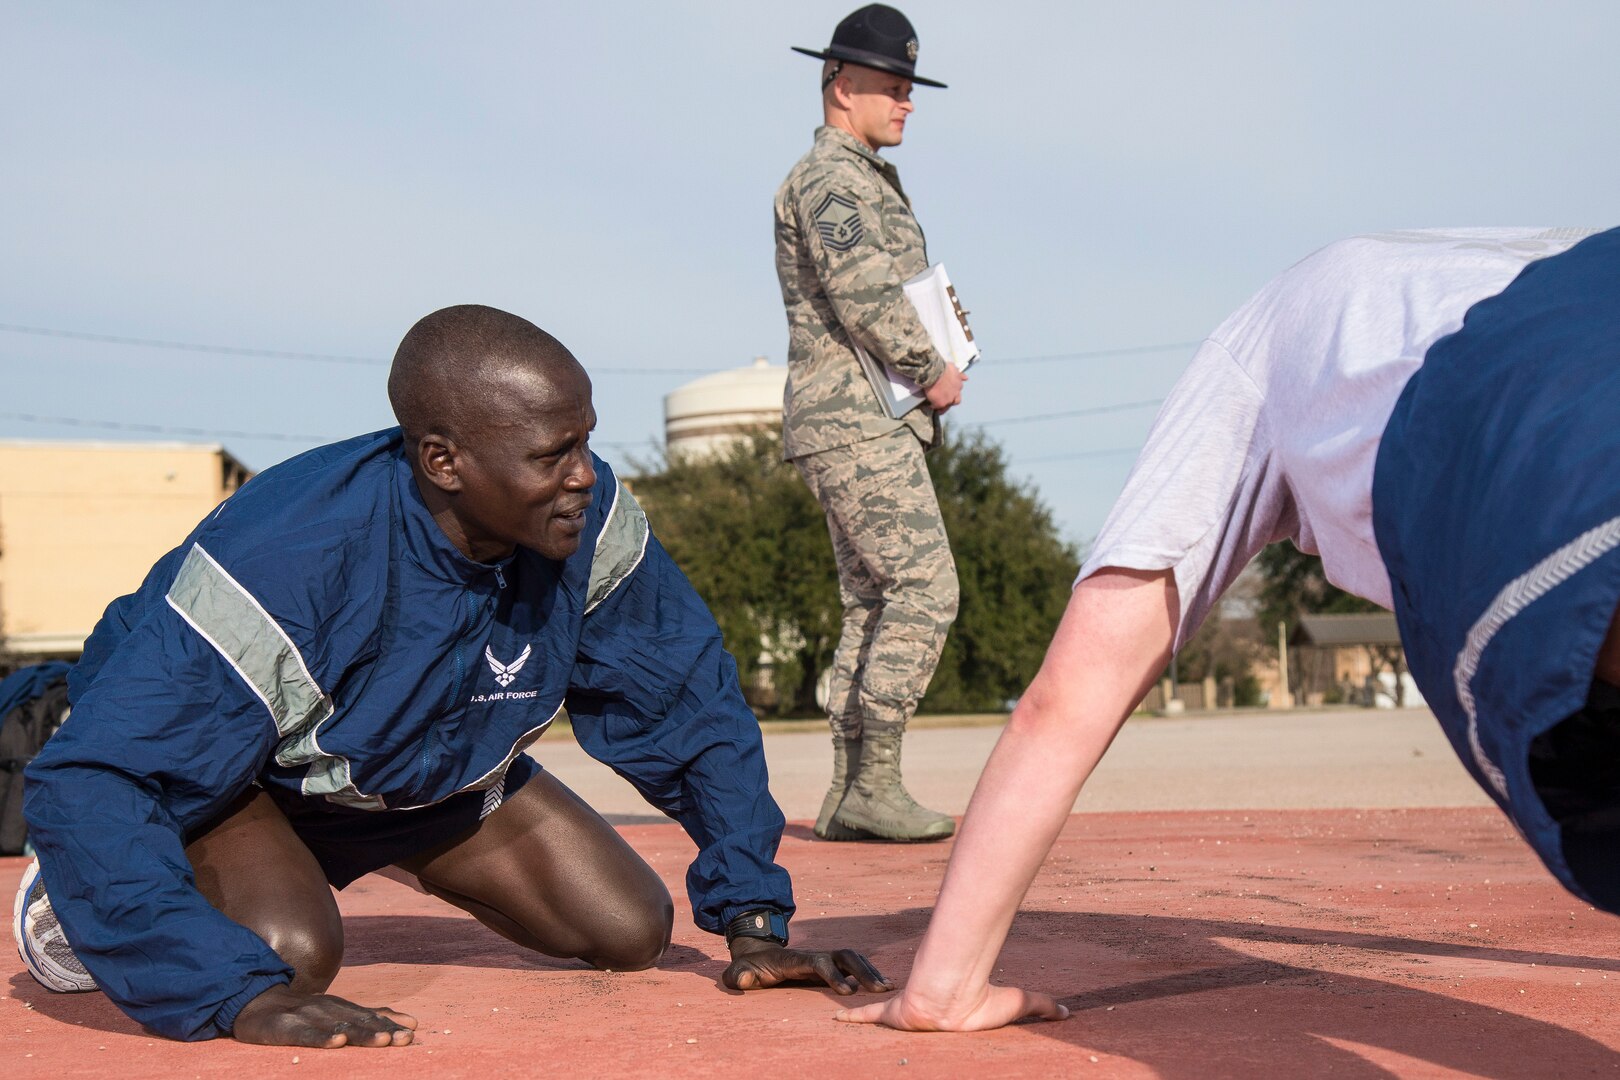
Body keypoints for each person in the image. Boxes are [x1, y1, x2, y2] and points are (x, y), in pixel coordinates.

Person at [14, 304, 889, 1047]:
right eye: (554, 454)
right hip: (244, 770)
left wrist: (752, 922)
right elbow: (92, 778)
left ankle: (359, 842)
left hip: (414, 765)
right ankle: (82, 887)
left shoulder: (590, 521)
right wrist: (229, 996)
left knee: (629, 929)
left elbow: (687, 703)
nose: (584, 475)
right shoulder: (288, 560)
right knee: (285, 957)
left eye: (586, 440)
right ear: (444, 462)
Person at [835, 225, 1620, 1030]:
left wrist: (942, 986)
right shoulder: (1475, 262)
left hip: (1511, 413)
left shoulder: (1266, 345)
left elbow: (1068, 698)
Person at [776, 4, 966, 843]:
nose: (907, 103)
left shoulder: (858, 176)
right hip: (857, 419)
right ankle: (874, 785)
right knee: (926, 589)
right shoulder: (833, 180)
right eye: (893, 87)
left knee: (871, 601)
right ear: (841, 85)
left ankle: (852, 792)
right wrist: (933, 371)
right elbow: (864, 297)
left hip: (857, 419)